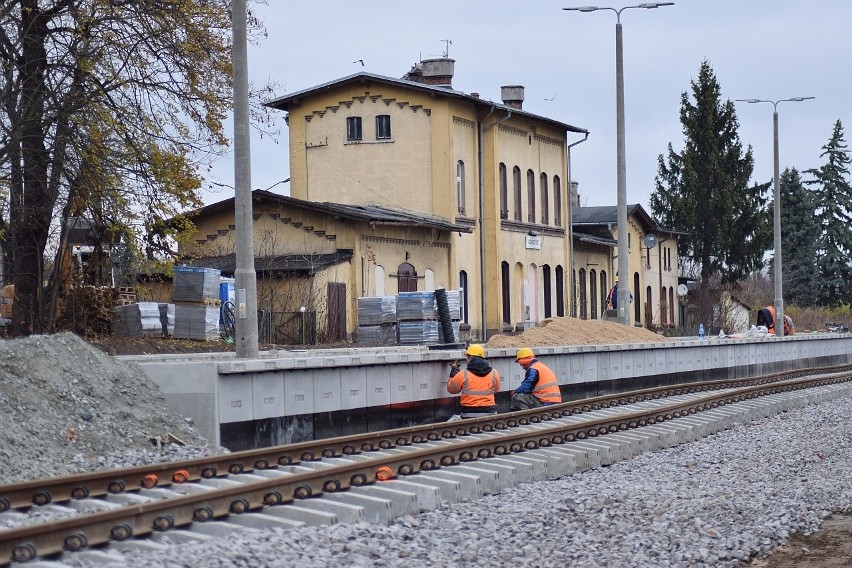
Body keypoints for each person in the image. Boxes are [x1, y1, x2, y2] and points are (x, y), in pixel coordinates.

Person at [446, 344, 500, 420]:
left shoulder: (463, 374)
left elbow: (451, 389)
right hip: (490, 413)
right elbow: (496, 390)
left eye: (467, 357)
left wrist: (454, 370)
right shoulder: (494, 373)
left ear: (470, 357)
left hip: (469, 413)